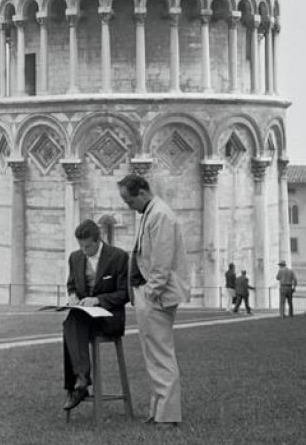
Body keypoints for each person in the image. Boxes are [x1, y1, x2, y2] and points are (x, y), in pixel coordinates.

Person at [119, 174, 189, 429]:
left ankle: (168, 415)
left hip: (156, 295)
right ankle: (159, 410)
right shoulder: (151, 213)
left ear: (143, 193)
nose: (129, 207)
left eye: (129, 201)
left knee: (160, 354)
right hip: (149, 293)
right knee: (153, 354)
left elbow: (161, 261)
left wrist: (151, 292)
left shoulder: (160, 215)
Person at [61, 219, 130, 411]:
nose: (84, 250)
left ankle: (78, 384)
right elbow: (72, 285)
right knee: (71, 320)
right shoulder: (75, 258)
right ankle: (81, 380)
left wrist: (98, 300)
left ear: (98, 240)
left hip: (109, 318)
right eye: (81, 245)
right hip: (84, 317)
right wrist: (73, 296)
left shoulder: (118, 257)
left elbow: (125, 293)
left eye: (88, 246)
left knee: (70, 326)